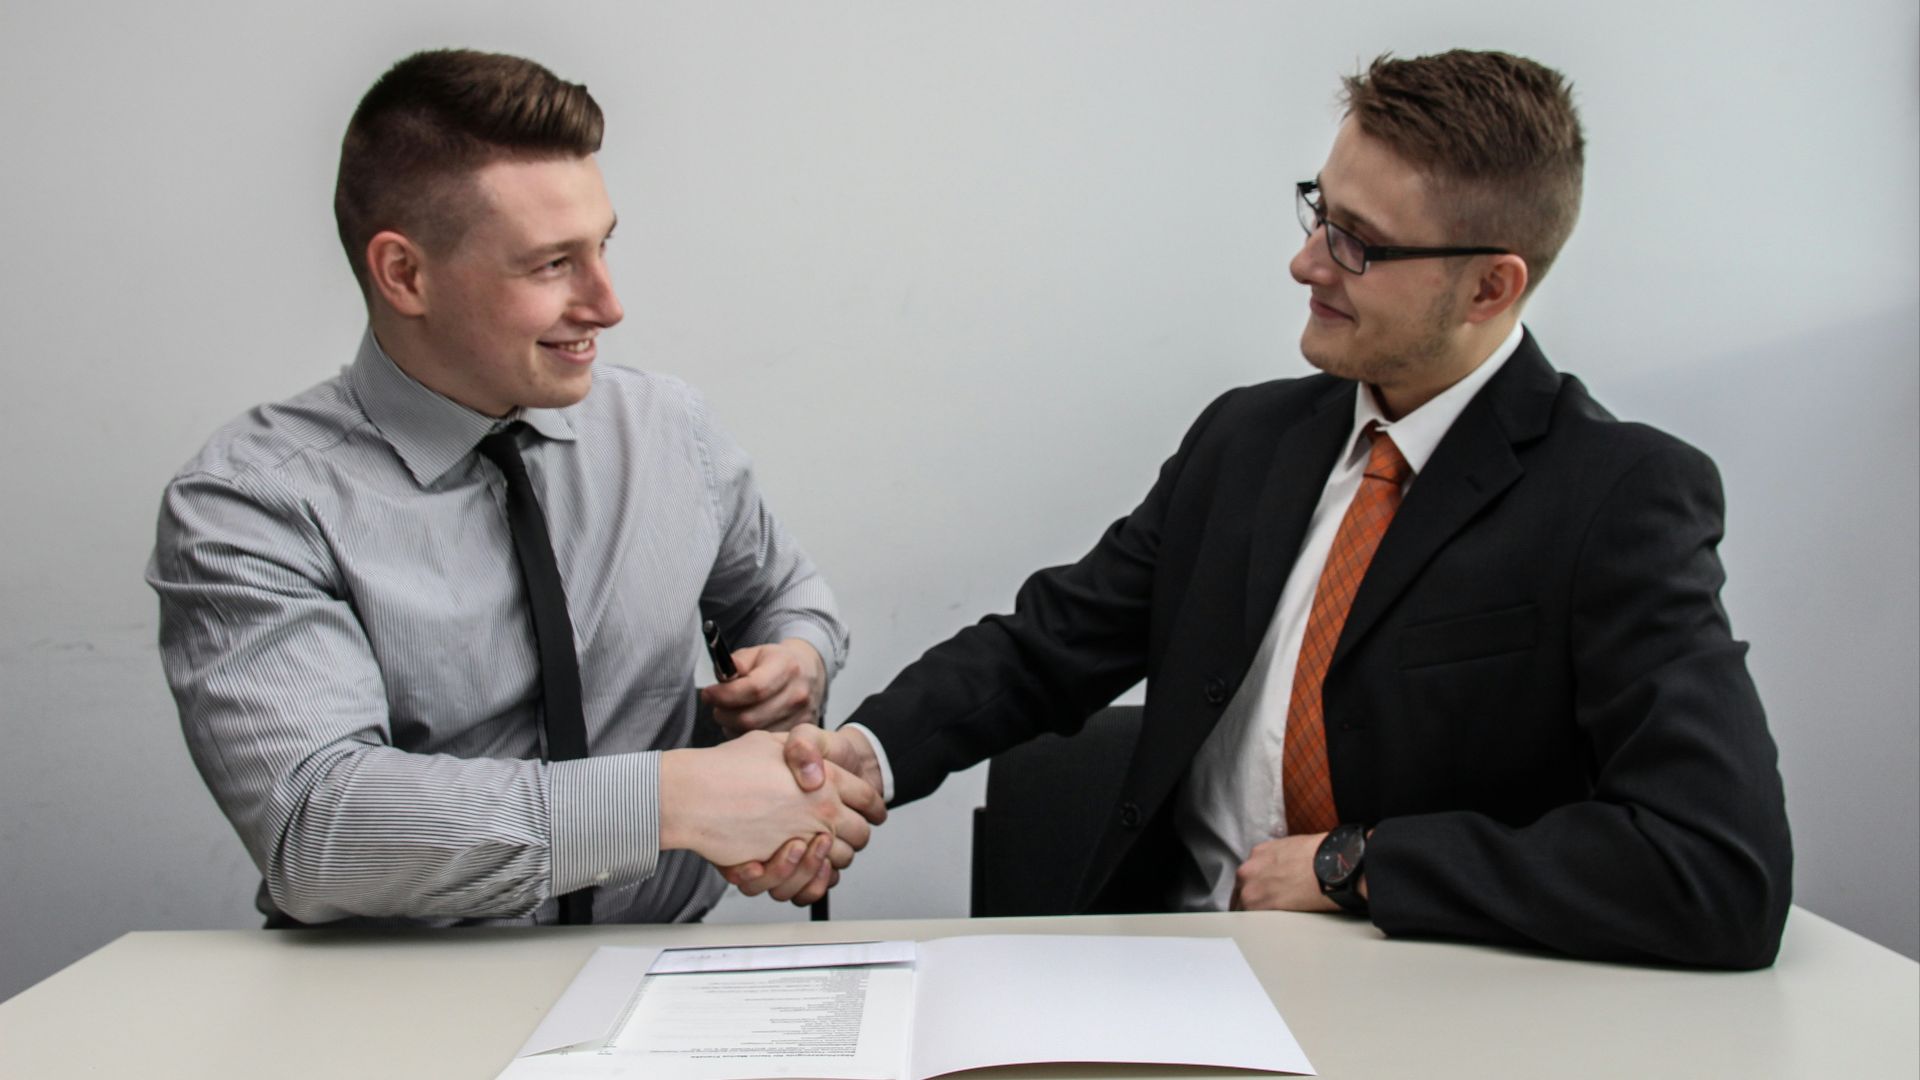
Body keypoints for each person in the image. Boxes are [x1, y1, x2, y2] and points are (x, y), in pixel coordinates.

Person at [766, 50, 1793, 968]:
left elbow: (1716, 868)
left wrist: (1360, 865)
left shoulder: (1617, 498)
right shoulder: (1248, 443)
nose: (1307, 264)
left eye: (1359, 245)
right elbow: (1050, 647)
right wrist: (866, 755)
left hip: (1417, 1010)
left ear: (1490, 287)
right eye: (1320, 213)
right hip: (1165, 974)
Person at [147, 48, 877, 928]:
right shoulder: (251, 505)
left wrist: (794, 662)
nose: (607, 305)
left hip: (663, 975)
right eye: (551, 265)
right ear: (404, 275)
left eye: (603, 246)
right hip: (393, 1014)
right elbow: (319, 830)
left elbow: (785, 596)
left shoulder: (669, 429)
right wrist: (668, 799)